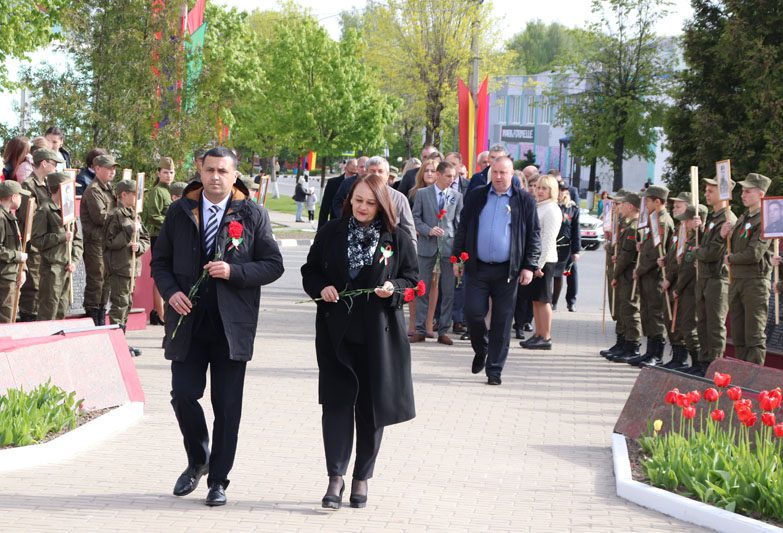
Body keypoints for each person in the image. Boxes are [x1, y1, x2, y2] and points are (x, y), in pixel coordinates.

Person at [151, 146, 284, 507]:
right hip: (188, 322)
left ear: (234, 174)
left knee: (227, 407)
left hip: (231, 325)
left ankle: (219, 480)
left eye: (223, 171)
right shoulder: (180, 211)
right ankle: (198, 459)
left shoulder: (252, 213)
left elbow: (273, 265)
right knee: (183, 395)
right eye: (210, 169)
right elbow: (159, 262)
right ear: (200, 169)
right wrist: (172, 292)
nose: (215, 177)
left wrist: (234, 271)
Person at [300, 173, 417, 510]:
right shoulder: (331, 233)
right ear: (350, 199)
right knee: (336, 405)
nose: (363, 207)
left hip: (378, 336)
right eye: (359, 200)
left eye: (370, 202)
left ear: (382, 205)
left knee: (370, 409)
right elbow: (310, 271)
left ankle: (361, 476)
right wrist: (320, 288)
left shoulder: (395, 238)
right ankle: (335, 477)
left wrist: (394, 289)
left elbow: (411, 279)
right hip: (337, 334)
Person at [454, 156, 541, 385]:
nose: (499, 177)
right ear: (490, 172)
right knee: (473, 313)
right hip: (478, 267)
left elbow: (533, 235)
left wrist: (529, 266)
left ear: (512, 174)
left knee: (502, 322)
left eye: (504, 172)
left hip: (508, 272)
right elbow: (463, 227)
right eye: (495, 172)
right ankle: (481, 349)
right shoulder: (477, 196)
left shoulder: (524, 200)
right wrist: (456, 258)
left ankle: (494, 370)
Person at [722, 173, 773, 366]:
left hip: (754, 283)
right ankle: (740, 375)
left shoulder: (764, 219)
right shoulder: (744, 218)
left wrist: (730, 259)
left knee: (753, 335)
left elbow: (754, 254)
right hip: (737, 280)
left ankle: (753, 378)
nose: (743, 194)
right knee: (739, 334)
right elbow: (733, 244)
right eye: (742, 191)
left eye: (747, 191)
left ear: (760, 194)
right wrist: (724, 234)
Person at [688, 176, 736, 376]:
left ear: (723, 194)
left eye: (711, 191)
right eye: (706, 191)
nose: (706, 194)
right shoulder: (714, 218)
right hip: (706, 277)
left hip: (717, 278)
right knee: (703, 322)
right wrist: (699, 229)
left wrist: (695, 251)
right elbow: (705, 245)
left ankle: (714, 368)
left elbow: (713, 252)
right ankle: (703, 362)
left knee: (715, 326)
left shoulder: (728, 219)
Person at [411, 161, 462, 345]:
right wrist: (428, 230)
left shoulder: (457, 196)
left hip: (448, 249)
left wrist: (459, 251)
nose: (451, 180)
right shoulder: (423, 194)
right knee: (422, 289)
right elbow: (415, 218)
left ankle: (443, 330)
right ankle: (420, 329)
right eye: (448, 176)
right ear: (439, 175)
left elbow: (458, 224)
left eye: (453, 176)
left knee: (448, 291)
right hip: (427, 247)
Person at [623, 185, 673, 367]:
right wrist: (641, 247)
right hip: (648, 275)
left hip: (655, 275)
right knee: (647, 312)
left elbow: (655, 253)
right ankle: (649, 351)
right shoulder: (654, 219)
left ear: (657, 201)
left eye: (648, 201)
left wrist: (640, 269)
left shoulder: (662, 221)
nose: (645, 204)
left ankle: (657, 355)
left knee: (655, 314)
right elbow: (649, 246)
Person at [17, 148, 64, 322]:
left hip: (48, 243)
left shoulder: (45, 184)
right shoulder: (28, 185)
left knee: (42, 288)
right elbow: (26, 216)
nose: (55, 168)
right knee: (33, 286)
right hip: (34, 242)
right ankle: (28, 320)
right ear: (44, 163)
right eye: (53, 164)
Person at [105, 179, 150, 357]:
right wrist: (128, 232)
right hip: (119, 266)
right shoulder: (115, 215)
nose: (139, 198)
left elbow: (145, 239)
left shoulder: (134, 214)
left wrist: (138, 246)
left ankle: (121, 341)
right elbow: (108, 242)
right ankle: (116, 344)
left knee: (127, 304)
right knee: (119, 304)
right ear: (124, 195)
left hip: (131, 267)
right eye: (135, 194)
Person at [31, 172, 83, 320]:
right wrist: (61, 237)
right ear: (61, 189)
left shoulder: (69, 211)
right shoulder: (45, 210)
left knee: (62, 309)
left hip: (67, 267)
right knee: (49, 309)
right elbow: (36, 240)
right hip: (51, 268)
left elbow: (77, 241)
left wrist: (74, 260)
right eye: (70, 188)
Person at [519, 175, 561, 350]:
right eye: (538, 188)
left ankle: (546, 336)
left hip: (545, 261)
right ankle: (538, 333)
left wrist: (538, 264)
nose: (540, 191)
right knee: (535, 300)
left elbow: (548, 239)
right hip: (536, 260)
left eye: (544, 188)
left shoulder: (551, 209)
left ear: (552, 191)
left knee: (543, 300)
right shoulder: (540, 207)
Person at [664, 203, 707, 371]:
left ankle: (697, 364)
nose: (683, 224)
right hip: (684, 288)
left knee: (690, 327)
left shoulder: (698, 240)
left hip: (691, 289)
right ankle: (687, 361)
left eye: (686, 221)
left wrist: (678, 288)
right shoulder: (688, 239)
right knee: (683, 325)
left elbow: (688, 270)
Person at [80, 154, 118, 326]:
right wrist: (120, 217)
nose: (112, 171)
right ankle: (92, 315)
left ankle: (101, 313)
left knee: (106, 280)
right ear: (97, 169)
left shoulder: (108, 188)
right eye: (109, 168)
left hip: (106, 241)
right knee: (96, 280)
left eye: (114, 168)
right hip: (95, 241)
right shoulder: (94, 190)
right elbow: (100, 217)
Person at [605, 193, 642, 362]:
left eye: (624, 204)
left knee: (629, 309)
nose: (621, 207)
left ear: (632, 206)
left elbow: (627, 255)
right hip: (622, 274)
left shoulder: (633, 228)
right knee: (622, 309)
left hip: (627, 275)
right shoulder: (627, 226)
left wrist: (616, 272)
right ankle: (623, 343)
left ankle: (632, 345)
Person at [657, 192, 690, 369]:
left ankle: (681, 358)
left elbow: (684, 259)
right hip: (671, 278)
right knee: (670, 320)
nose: (674, 209)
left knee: (678, 320)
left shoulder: (688, 229)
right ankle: (676, 357)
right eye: (674, 206)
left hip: (679, 280)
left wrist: (670, 279)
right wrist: (664, 261)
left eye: (679, 206)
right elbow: (673, 255)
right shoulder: (679, 227)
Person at [143, 157, 175, 326]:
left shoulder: (170, 191)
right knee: (159, 274)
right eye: (165, 172)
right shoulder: (157, 191)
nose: (168, 175)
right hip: (158, 236)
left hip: (168, 236)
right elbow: (153, 216)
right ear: (158, 173)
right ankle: (159, 313)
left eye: (171, 172)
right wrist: (172, 224)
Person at [0, 181, 29, 322]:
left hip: (11, 274)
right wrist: (18, 256)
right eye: (19, 196)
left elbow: (17, 245)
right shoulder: (1, 217)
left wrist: (22, 270)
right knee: (5, 319)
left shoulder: (9, 216)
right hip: (4, 276)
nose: (21, 199)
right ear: (12, 197)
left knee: (10, 316)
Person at [552, 185, 580, 312]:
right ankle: (548, 299)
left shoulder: (572, 209)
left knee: (563, 275)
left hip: (565, 247)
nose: (560, 193)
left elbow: (576, 231)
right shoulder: (551, 205)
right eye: (558, 190)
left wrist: (576, 250)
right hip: (551, 245)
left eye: (563, 191)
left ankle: (557, 302)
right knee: (548, 275)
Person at [318, 158, 357, 229]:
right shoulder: (333, 183)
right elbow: (325, 208)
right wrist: (320, 230)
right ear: (345, 168)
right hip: (336, 224)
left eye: (355, 174)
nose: (352, 176)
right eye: (351, 173)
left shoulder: (360, 183)